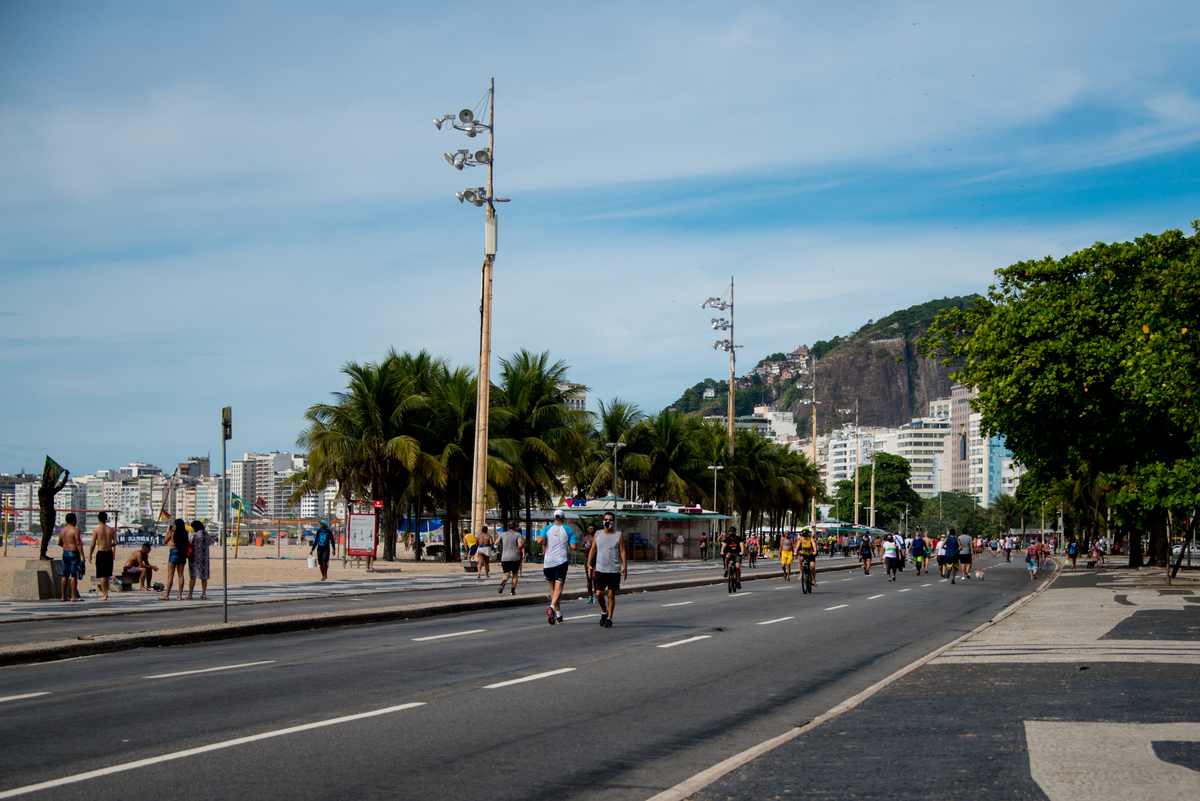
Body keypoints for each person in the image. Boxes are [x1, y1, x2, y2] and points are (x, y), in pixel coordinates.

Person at [536, 510, 576, 624]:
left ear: (553, 518)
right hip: (561, 561)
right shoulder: (568, 530)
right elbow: (573, 546)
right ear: (563, 518)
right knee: (559, 587)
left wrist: (546, 541)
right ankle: (552, 607)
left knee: (552, 588)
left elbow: (540, 541)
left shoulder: (546, 528)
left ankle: (558, 614)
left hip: (548, 562)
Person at [590, 511, 627, 628]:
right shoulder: (598, 534)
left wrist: (625, 567)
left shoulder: (618, 535)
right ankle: (604, 612)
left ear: (613, 522)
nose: (607, 522)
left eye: (610, 520)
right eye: (606, 519)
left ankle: (609, 618)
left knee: (611, 594)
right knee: (599, 594)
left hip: (614, 569)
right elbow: (593, 549)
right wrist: (589, 563)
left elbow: (622, 551)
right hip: (600, 569)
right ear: (603, 521)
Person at [87, 511, 116, 600]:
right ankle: (106, 593)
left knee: (102, 575)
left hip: (101, 552)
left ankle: (104, 595)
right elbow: (116, 542)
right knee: (107, 574)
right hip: (109, 552)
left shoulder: (96, 530)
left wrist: (90, 555)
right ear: (106, 519)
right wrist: (109, 545)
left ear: (98, 519)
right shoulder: (111, 530)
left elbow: (93, 544)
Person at [158, 518, 189, 600]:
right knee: (181, 575)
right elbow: (186, 542)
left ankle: (167, 595)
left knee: (170, 576)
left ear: (175, 525)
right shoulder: (185, 533)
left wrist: (169, 532)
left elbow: (165, 541)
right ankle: (180, 595)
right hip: (182, 553)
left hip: (174, 552)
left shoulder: (172, 532)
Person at [59, 513, 85, 601]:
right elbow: (78, 543)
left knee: (65, 575)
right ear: (74, 520)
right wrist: (82, 556)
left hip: (65, 553)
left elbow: (59, 543)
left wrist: (66, 547)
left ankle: (63, 596)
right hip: (73, 553)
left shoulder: (62, 530)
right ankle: (73, 596)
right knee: (73, 575)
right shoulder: (75, 530)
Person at [496, 521, 524, 596]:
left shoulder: (503, 534)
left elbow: (496, 543)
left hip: (505, 557)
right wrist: (521, 546)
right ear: (515, 527)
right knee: (515, 574)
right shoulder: (517, 534)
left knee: (506, 573)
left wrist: (502, 544)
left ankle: (504, 581)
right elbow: (520, 545)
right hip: (515, 557)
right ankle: (512, 591)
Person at [187, 519, 212, 600]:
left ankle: (190, 594)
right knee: (204, 577)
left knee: (193, 576)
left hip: (196, 558)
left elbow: (194, 546)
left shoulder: (197, 535)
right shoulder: (206, 534)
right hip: (205, 558)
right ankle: (204, 593)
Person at [581, 525, 597, 602]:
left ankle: (595, 594)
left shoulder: (597, 538)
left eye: (591, 528)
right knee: (589, 578)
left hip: (596, 558)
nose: (590, 530)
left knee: (594, 577)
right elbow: (580, 548)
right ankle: (590, 596)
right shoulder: (586, 538)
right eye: (589, 528)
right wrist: (585, 548)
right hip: (587, 558)